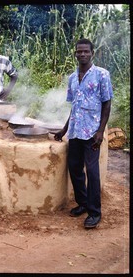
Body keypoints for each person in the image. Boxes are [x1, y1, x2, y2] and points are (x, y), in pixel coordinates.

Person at [54, 38, 113, 229]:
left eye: (86, 51)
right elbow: (75, 107)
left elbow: (107, 103)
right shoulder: (72, 78)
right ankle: (83, 203)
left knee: (93, 172)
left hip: (92, 133)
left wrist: (101, 131)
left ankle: (95, 213)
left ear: (92, 53)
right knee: (74, 168)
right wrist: (64, 130)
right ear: (75, 54)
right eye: (79, 52)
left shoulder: (102, 75)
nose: (82, 54)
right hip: (75, 131)